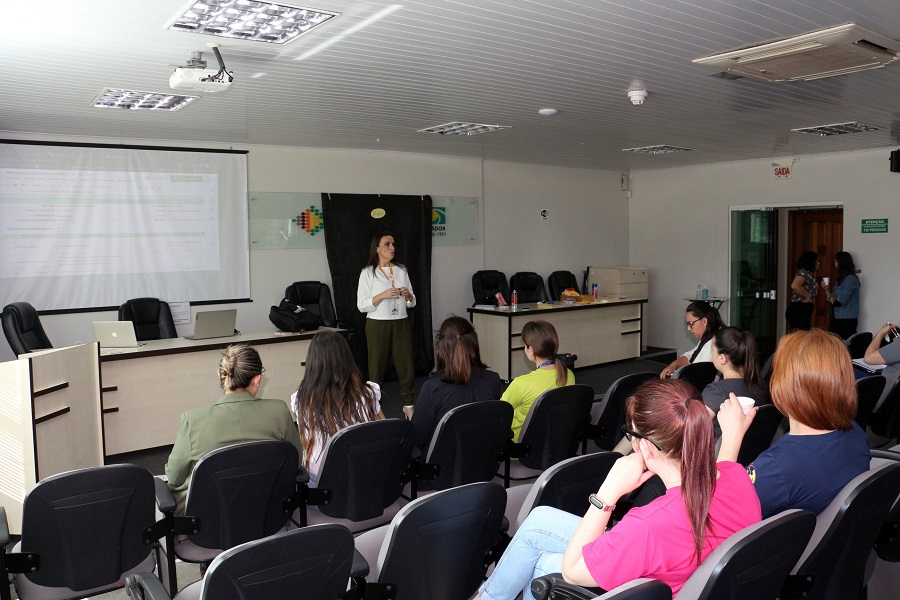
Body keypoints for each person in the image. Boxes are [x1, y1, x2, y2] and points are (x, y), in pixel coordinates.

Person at [475, 379, 762, 600]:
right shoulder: (736, 477)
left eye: (632, 434)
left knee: (543, 564)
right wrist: (734, 434)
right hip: (680, 566)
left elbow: (572, 571)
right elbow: (725, 467)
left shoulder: (649, 524)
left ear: (646, 446)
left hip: (652, 578)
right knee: (539, 521)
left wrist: (607, 493)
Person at [718, 329, 870, 518]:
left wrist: (730, 438)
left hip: (785, 546)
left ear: (786, 387)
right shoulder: (856, 433)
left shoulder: (776, 468)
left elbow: (717, 511)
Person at [165, 344, 302, 515]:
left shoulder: (192, 421)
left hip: (208, 522)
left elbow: (174, 477)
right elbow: (295, 463)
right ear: (257, 379)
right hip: (265, 512)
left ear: (220, 374)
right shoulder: (279, 412)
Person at [292, 330, 385, 486]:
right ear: (347, 359)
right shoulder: (368, 393)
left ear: (313, 362)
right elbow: (385, 431)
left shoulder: (300, 400)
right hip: (367, 479)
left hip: (323, 489)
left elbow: (306, 443)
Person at [410, 316, 502, 452]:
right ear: (474, 344)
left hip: (442, 468)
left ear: (440, 350)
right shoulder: (493, 380)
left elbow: (418, 438)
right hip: (483, 463)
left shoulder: (432, 387)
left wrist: (412, 416)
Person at [357, 232, 417, 419]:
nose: (392, 248)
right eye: (387, 244)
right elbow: (362, 305)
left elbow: (412, 302)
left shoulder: (401, 270)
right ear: (377, 249)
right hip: (377, 324)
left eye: (393, 244)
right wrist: (383, 295)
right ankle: (374, 409)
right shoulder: (368, 273)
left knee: (406, 365)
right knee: (376, 368)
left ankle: (409, 405)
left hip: (401, 322)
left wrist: (407, 295)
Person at [502, 320, 574, 442]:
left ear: (531, 350)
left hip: (519, 446)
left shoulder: (521, 384)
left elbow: (499, 412)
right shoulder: (568, 375)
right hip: (552, 442)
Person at [701, 327, 767, 419]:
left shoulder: (716, 392)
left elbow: (696, 428)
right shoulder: (760, 385)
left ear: (722, 358)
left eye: (713, 350)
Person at [660, 301, 724, 378]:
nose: (689, 329)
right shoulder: (710, 337)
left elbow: (698, 375)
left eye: (691, 324)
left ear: (704, 321)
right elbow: (691, 354)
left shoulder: (711, 345)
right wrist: (673, 366)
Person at [824, 251, 860, 339]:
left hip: (846, 320)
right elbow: (832, 300)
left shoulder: (850, 279)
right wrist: (826, 289)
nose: (834, 263)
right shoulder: (840, 280)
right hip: (837, 317)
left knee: (844, 344)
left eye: (836, 261)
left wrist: (833, 299)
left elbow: (840, 302)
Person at [785, 251, 819, 331]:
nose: (818, 263)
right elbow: (794, 285)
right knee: (802, 335)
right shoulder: (804, 273)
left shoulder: (809, 274)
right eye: (817, 261)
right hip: (799, 309)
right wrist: (808, 295)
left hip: (804, 310)